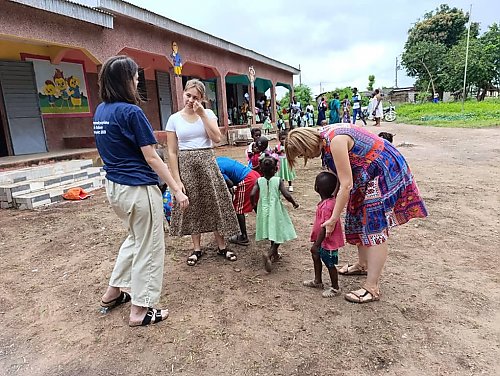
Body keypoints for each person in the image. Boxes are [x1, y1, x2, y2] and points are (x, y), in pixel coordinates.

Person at [94, 55, 189, 327]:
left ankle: (113, 293)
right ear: (125, 80)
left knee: (136, 239)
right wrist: (176, 188)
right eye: (135, 77)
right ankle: (140, 310)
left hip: (116, 188)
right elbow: (151, 157)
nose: (138, 81)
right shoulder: (131, 112)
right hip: (138, 189)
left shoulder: (102, 110)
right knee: (150, 245)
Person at [285, 125, 428, 303]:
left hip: (381, 170)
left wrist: (334, 217)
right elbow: (341, 178)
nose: (305, 158)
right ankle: (362, 265)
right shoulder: (324, 141)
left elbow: (346, 185)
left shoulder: (335, 141)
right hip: (365, 174)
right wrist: (333, 203)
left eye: (302, 154)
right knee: (358, 216)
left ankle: (372, 287)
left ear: (306, 144)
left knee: (373, 226)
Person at [166, 79, 240, 266]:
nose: (191, 100)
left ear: (202, 99)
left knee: (214, 203)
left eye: (196, 97)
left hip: (207, 163)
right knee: (193, 206)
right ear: (183, 93)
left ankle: (222, 246)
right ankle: (196, 249)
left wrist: (202, 115)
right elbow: (172, 152)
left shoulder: (207, 113)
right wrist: (176, 179)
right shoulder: (174, 119)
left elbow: (216, 138)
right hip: (186, 165)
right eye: (188, 95)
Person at [250, 157, 299, 272]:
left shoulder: (259, 181)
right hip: (276, 210)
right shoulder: (278, 180)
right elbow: (286, 194)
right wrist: (294, 203)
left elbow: (252, 194)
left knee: (272, 231)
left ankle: (275, 255)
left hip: (264, 209)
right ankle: (269, 254)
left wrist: (254, 205)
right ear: (276, 169)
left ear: (261, 170)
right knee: (280, 232)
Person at [303, 171, 345, 298]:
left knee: (330, 264)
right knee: (316, 257)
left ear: (316, 188)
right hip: (321, 241)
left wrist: (316, 244)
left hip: (327, 242)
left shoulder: (327, 206)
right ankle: (317, 281)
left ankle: (335, 288)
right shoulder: (331, 200)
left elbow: (325, 228)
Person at [216, 156, 261, 246]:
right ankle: (266, 228)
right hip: (254, 175)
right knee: (255, 204)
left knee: (238, 209)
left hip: (247, 180)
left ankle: (243, 237)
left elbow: (230, 183)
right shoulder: (219, 159)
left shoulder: (216, 167)